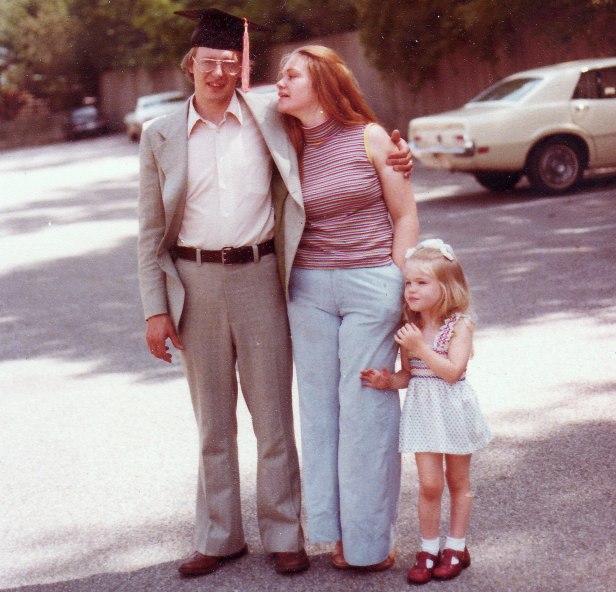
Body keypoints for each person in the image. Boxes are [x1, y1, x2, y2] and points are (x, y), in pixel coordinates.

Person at [137, 9, 412, 578]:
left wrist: (395, 154)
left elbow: (338, 127)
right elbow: (148, 230)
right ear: (190, 65)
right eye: (208, 62)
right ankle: (219, 536)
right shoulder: (159, 134)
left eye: (229, 63)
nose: (218, 72)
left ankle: (286, 533)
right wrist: (155, 308)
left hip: (264, 277)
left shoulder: (269, 115)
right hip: (193, 283)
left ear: (242, 69)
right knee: (212, 421)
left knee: (274, 418)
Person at [276, 45, 420, 571]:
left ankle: (368, 542)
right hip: (308, 290)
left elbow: (404, 214)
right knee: (318, 412)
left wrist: (397, 280)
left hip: (369, 286)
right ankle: (335, 534)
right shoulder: (282, 140)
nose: (280, 84)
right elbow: (235, 99)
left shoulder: (372, 136)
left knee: (365, 410)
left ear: (322, 81)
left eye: (291, 75)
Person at [361, 238, 492, 584]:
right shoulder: (412, 328)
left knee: (457, 481)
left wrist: (419, 346)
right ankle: (429, 548)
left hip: (453, 410)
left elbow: (452, 371)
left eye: (422, 282)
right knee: (429, 485)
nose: (411, 290)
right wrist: (387, 381)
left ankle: (456, 546)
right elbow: (410, 374)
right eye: (408, 283)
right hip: (422, 414)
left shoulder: (459, 325)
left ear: (446, 286)